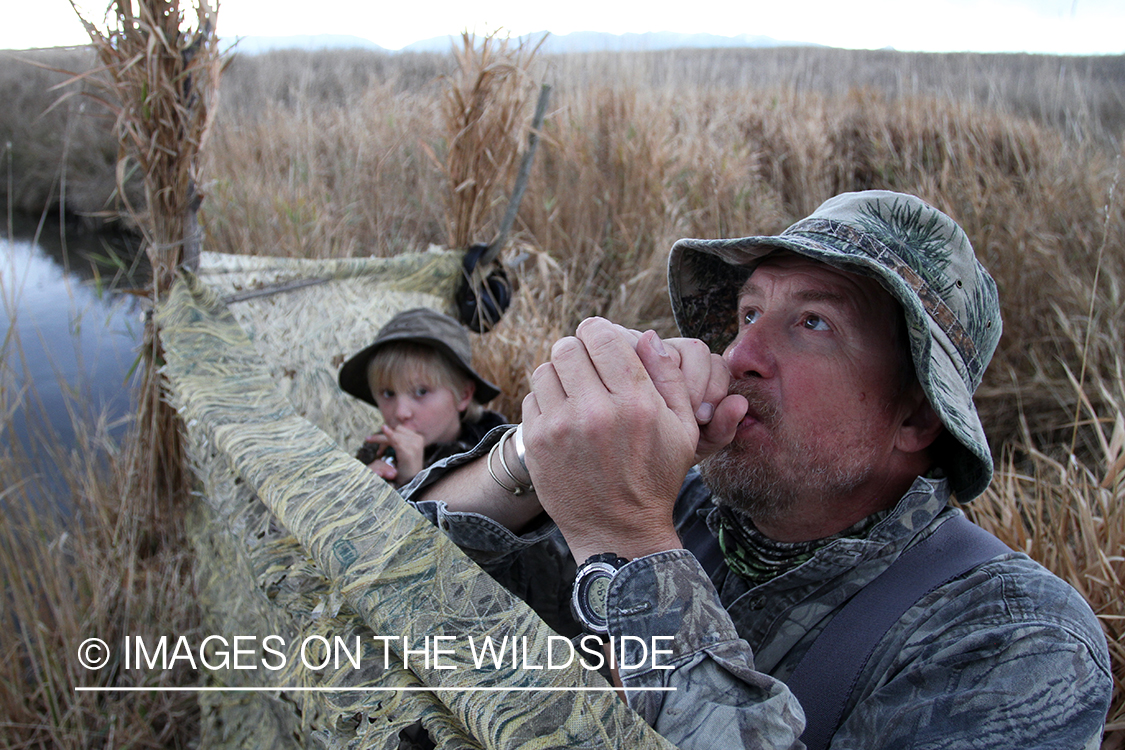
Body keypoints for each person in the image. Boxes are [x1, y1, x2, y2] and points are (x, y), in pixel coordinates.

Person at [401, 191, 1112, 748]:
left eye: (812, 324)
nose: (740, 353)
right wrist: (536, 450)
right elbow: (393, 578)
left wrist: (627, 543)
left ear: (917, 418)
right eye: (747, 311)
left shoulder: (1013, 640)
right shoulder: (680, 506)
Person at [338, 307, 506, 488]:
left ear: (463, 395)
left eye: (421, 392)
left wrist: (411, 483)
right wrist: (365, 491)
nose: (401, 412)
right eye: (388, 393)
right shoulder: (375, 452)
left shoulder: (496, 460)